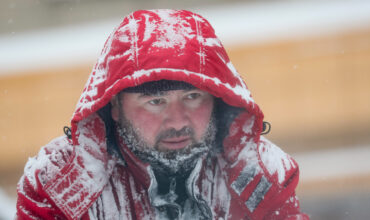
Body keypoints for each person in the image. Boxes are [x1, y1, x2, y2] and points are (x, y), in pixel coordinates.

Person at [16, 9, 309, 220]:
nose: (178, 120)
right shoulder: (57, 184)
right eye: (155, 101)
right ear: (114, 107)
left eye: (193, 97)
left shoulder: (260, 174)